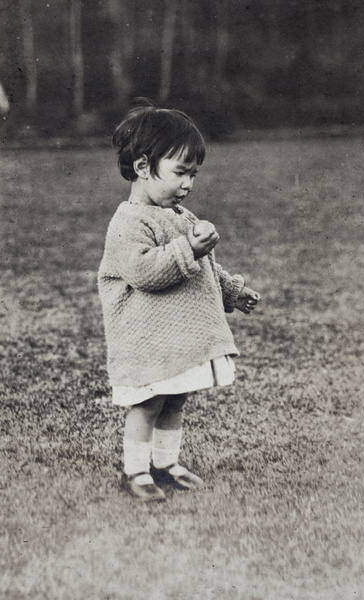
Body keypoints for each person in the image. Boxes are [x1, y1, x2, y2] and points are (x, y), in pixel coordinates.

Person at [98, 98, 260, 502]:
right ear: (142, 168)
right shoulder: (128, 223)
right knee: (149, 402)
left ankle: (166, 463)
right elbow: (146, 273)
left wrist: (233, 291)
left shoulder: (182, 217)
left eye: (194, 174)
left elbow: (203, 272)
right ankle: (135, 471)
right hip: (147, 339)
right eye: (180, 172)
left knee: (176, 399)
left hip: (176, 339)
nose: (188, 183)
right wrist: (190, 248)